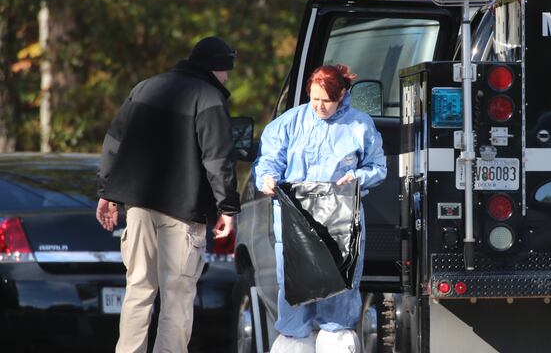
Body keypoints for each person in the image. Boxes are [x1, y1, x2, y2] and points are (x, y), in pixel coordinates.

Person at [95, 36, 241, 353]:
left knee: (138, 288)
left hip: (138, 205)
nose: (227, 78)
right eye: (226, 70)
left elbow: (113, 141)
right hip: (183, 211)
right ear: (216, 68)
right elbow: (218, 159)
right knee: (177, 293)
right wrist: (227, 207)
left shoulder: (146, 87)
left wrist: (106, 191)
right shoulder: (209, 98)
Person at [254, 64, 386, 353]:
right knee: (292, 285)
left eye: (326, 100)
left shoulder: (359, 125)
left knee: (339, 285)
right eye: (314, 99)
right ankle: (293, 341)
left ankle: (336, 339)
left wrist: (358, 176)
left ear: (341, 96)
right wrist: (266, 177)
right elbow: (269, 160)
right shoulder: (290, 122)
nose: (319, 106)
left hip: (340, 220)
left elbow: (378, 167)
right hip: (295, 219)